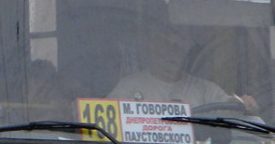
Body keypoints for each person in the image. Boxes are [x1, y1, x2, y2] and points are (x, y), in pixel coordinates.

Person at [109, 27, 256, 112]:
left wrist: (245, 105)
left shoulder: (205, 89)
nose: (170, 53)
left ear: (185, 54)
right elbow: (106, 118)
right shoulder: (129, 86)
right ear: (153, 49)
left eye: (177, 48)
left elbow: (232, 110)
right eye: (165, 46)